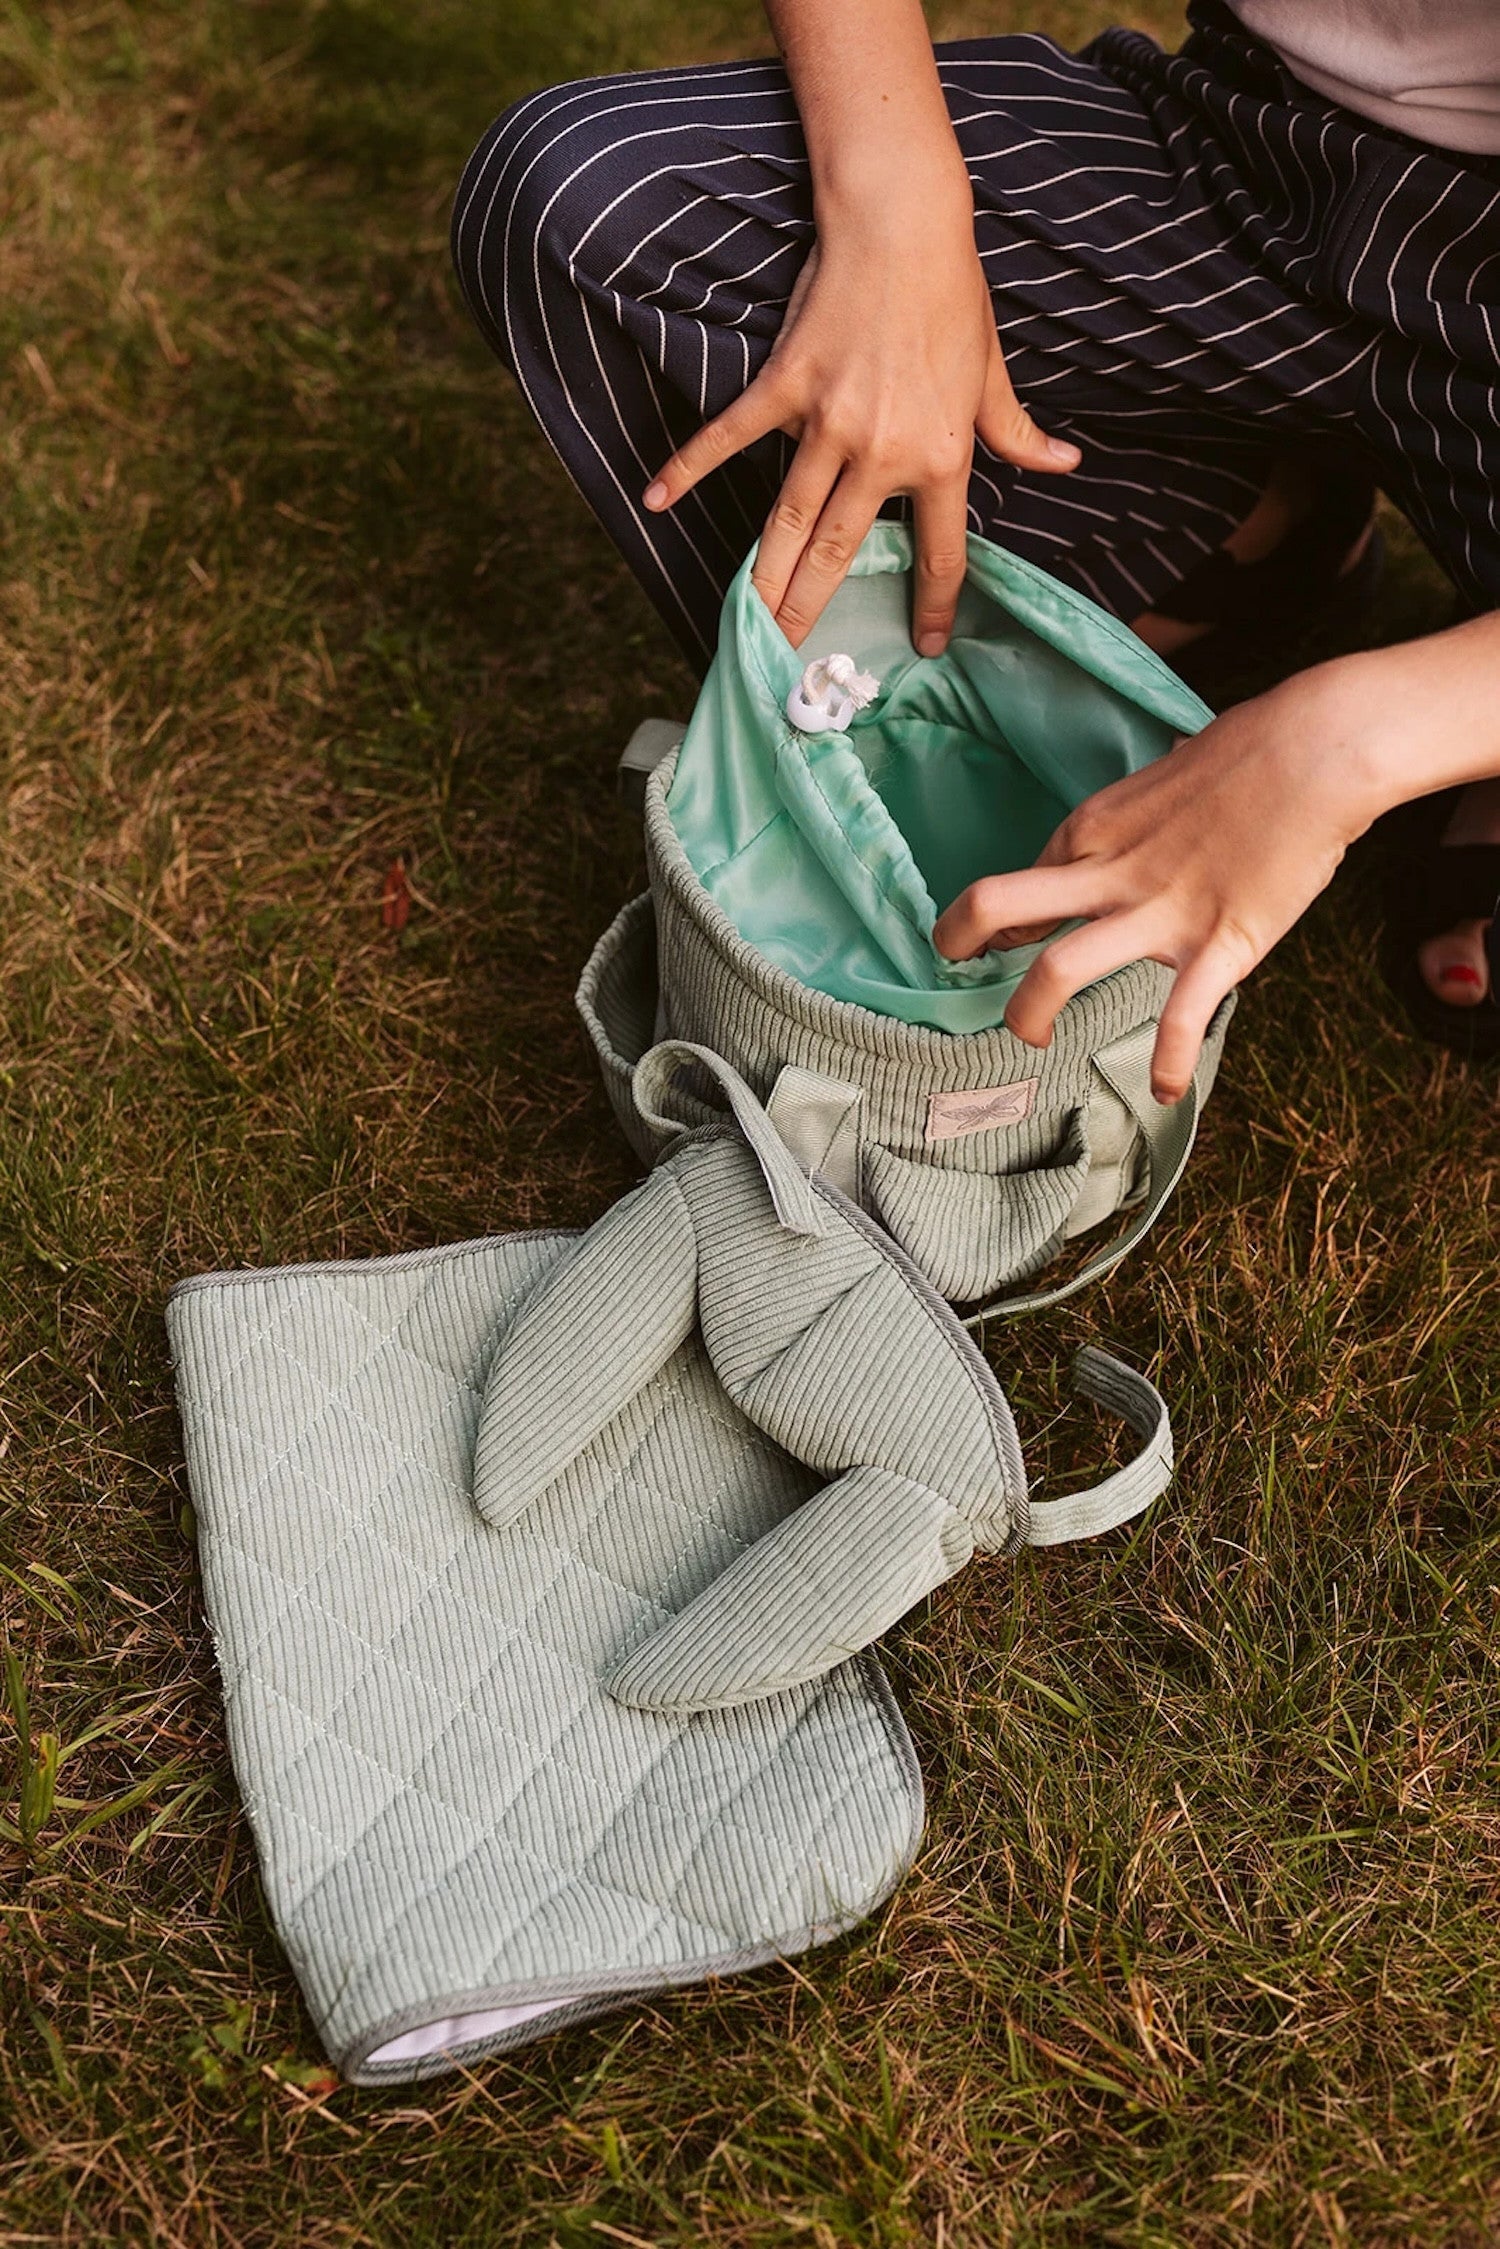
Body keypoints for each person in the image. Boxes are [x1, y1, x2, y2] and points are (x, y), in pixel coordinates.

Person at [451, 0, 1500, 1098]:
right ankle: (1244, 536)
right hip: (1256, 143)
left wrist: (1349, 741)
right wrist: (896, 216)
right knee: (589, 209)